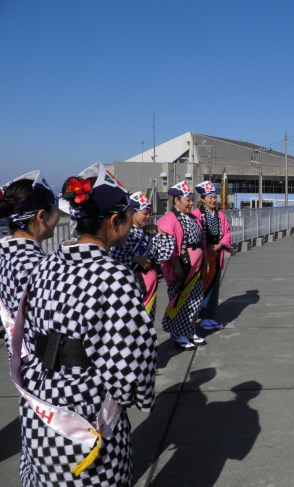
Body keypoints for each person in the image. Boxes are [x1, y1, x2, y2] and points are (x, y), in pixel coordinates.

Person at [17, 163, 157, 485]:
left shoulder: (47, 263)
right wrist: (139, 397)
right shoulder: (115, 276)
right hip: (86, 411)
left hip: (40, 403)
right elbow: (132, 358)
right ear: (114, 222)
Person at [0, 171, 59, 359]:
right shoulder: (34, 265)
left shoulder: (6, 252)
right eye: (54, 210)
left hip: (18, 355)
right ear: (42, 217)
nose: (58, 216)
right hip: (39, 363)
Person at [157, 181, 207, 350]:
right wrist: (177, 266)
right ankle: (179, 334)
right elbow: (168, 247)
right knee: (180, 300)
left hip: (195, 267)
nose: (191, 204)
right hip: (180, 267)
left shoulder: (193, 217)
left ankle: (189, 329)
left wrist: (204, 259)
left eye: (192, 200)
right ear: (177, 201)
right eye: (188, 201)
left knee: (195, 299)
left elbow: (202, 241)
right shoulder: (167, 220)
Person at [110, 192, 175, 318]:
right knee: (138, 316)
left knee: (148, 316)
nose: (148, 216)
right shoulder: (125, 233)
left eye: (149, 213)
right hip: (135, 281)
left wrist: (155, 230)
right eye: (145, 213)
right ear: (132, 213)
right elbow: (115, 256)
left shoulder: (144, 232)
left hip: (150, 281)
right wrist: (134, 259)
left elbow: (163, 253)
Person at [191, 181, 232, 331]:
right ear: (203, 199)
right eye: (210, 197)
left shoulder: (220, 215)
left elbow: (227, 233)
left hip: (215, 253)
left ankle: (210, 318)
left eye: (215, 197)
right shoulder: (196, 215)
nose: (213, 200)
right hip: (202, 257)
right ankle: (198, 319)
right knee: (199, 288)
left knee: (214, 286)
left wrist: (218, 246)